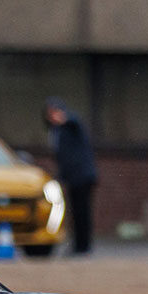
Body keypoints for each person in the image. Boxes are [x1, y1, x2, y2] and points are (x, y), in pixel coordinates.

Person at [43, 96, 98, 255]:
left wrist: (65, 118)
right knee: (75, 211)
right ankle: (78, 245)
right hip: (71, 177)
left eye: (55, 112)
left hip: (83, 176)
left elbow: (75, 122)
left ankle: (84, 246)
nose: (53, 116)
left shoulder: (71, 125)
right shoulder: (56, 131)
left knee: (83, 211)